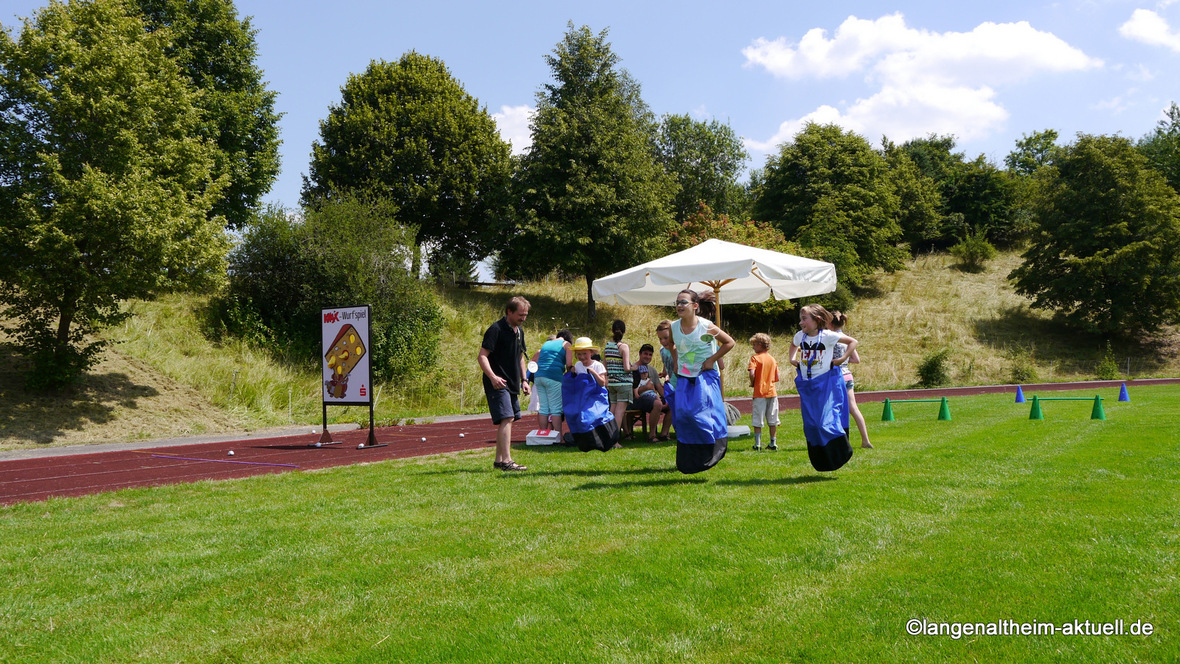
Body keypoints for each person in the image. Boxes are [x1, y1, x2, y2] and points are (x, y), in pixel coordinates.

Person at [669, 289, 734, 474]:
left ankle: (714, 448)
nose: (679, 305)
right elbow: (672, 344)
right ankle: (691, 458)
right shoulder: (674, 327)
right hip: (684, 376)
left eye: (683, 302)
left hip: (705, 376)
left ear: (695, 306)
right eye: (677, 302)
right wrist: (675, 362)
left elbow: (729, 342)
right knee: (683, 416)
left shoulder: (707, 326)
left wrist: (712, 359)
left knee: (700, 415)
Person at [789, 304, 858, 472]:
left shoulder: (827, 335)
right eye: (800, 319)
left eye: (804, 319)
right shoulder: (800, 336)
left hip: (825, 383)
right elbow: (793, 344)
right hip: (807, 385)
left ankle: (841, 450)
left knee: (823, 421)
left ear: (817, 320)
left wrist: (841, 359)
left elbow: (852, 342)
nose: (800, 322)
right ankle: (821, 459)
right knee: (811, 424)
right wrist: (792, 359)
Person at [477, 296, 531, 471]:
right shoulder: (496, 329)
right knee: (507, 418)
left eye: (525, 315)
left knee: (509, 419)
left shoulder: (519, 331)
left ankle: (499, 461)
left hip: (513, 382)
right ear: (509, 311)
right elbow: (482, 356)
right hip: (497, 383)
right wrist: (493, 377)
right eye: (520, 315)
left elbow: (520, 357)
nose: (523, 318)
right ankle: (507, 461)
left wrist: (524, 380)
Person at [830, 311, 872, 449]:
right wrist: (844, 359)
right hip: (847, 375)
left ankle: (835, 440)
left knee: (832, 408)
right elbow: (856, 359)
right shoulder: (847, 338)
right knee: (853, 408)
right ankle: (865, 440)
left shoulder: (831, 338)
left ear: (830, 323)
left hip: (835, 376)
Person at [530, 329, 573, 433]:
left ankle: (544, 434)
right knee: (556, 409)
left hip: (539, 376)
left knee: (543, 408)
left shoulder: (546, 343)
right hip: (554, 377)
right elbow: (568, 365)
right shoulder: (566, 344)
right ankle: (558, 436)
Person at [748, 332, 780, 451]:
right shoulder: (772, 359)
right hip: (772, 392)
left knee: (758, 419)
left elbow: (752, 373)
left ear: (761, 345)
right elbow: (777, 376)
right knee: (773, 419)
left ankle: (758, 444)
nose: (753, 347)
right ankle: (773, 443)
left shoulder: (755, 358)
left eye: (755, 344)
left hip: (759, 392)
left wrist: (753, 381)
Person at [632, 343, 669, 442]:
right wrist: (646, 388)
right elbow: (633, 391)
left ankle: (664, 434)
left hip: (651, 397)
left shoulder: (652, 370)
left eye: (650, 354)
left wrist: (667, 398)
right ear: (640, 354)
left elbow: (658, 387)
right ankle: (652, 435)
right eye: (645, 354)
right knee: (657, 403)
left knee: (672, 403)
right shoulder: (634, 369)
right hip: (638, 399)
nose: (648, 356)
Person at [603, 319, 632, 430]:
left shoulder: (607, 346)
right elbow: (626, 367)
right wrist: (634, 367)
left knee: (612, 410)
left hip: (612, 383)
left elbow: (605, 367)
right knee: (620, 412)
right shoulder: (623, 347)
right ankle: (615, 439)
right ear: (624, 331)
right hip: (623, 383)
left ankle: (608, 435)